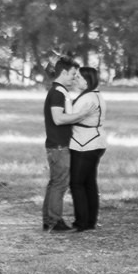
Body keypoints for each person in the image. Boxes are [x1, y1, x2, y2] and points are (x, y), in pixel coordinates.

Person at [64, 65, 106, 231]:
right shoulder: (95, 95)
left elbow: (70, 117)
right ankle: (90, 221)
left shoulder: (88, 98)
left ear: (88, 80)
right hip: (94, 142)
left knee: (77, 183)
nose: (76, 80)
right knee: (89, 183)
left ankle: (81, 222)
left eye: (79, 78)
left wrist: (65, 100)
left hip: (86, 144)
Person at [41, 56, 80, 231]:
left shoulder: (58, 91)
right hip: (59, 146)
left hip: (57, 145)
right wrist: (80, 116)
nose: (74, 78)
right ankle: (55, 221)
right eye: (72, 74)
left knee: (54, 182)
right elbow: (58, 118)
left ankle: (48, 219)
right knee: (60, 184)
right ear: (63, 72)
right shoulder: (57, 93)